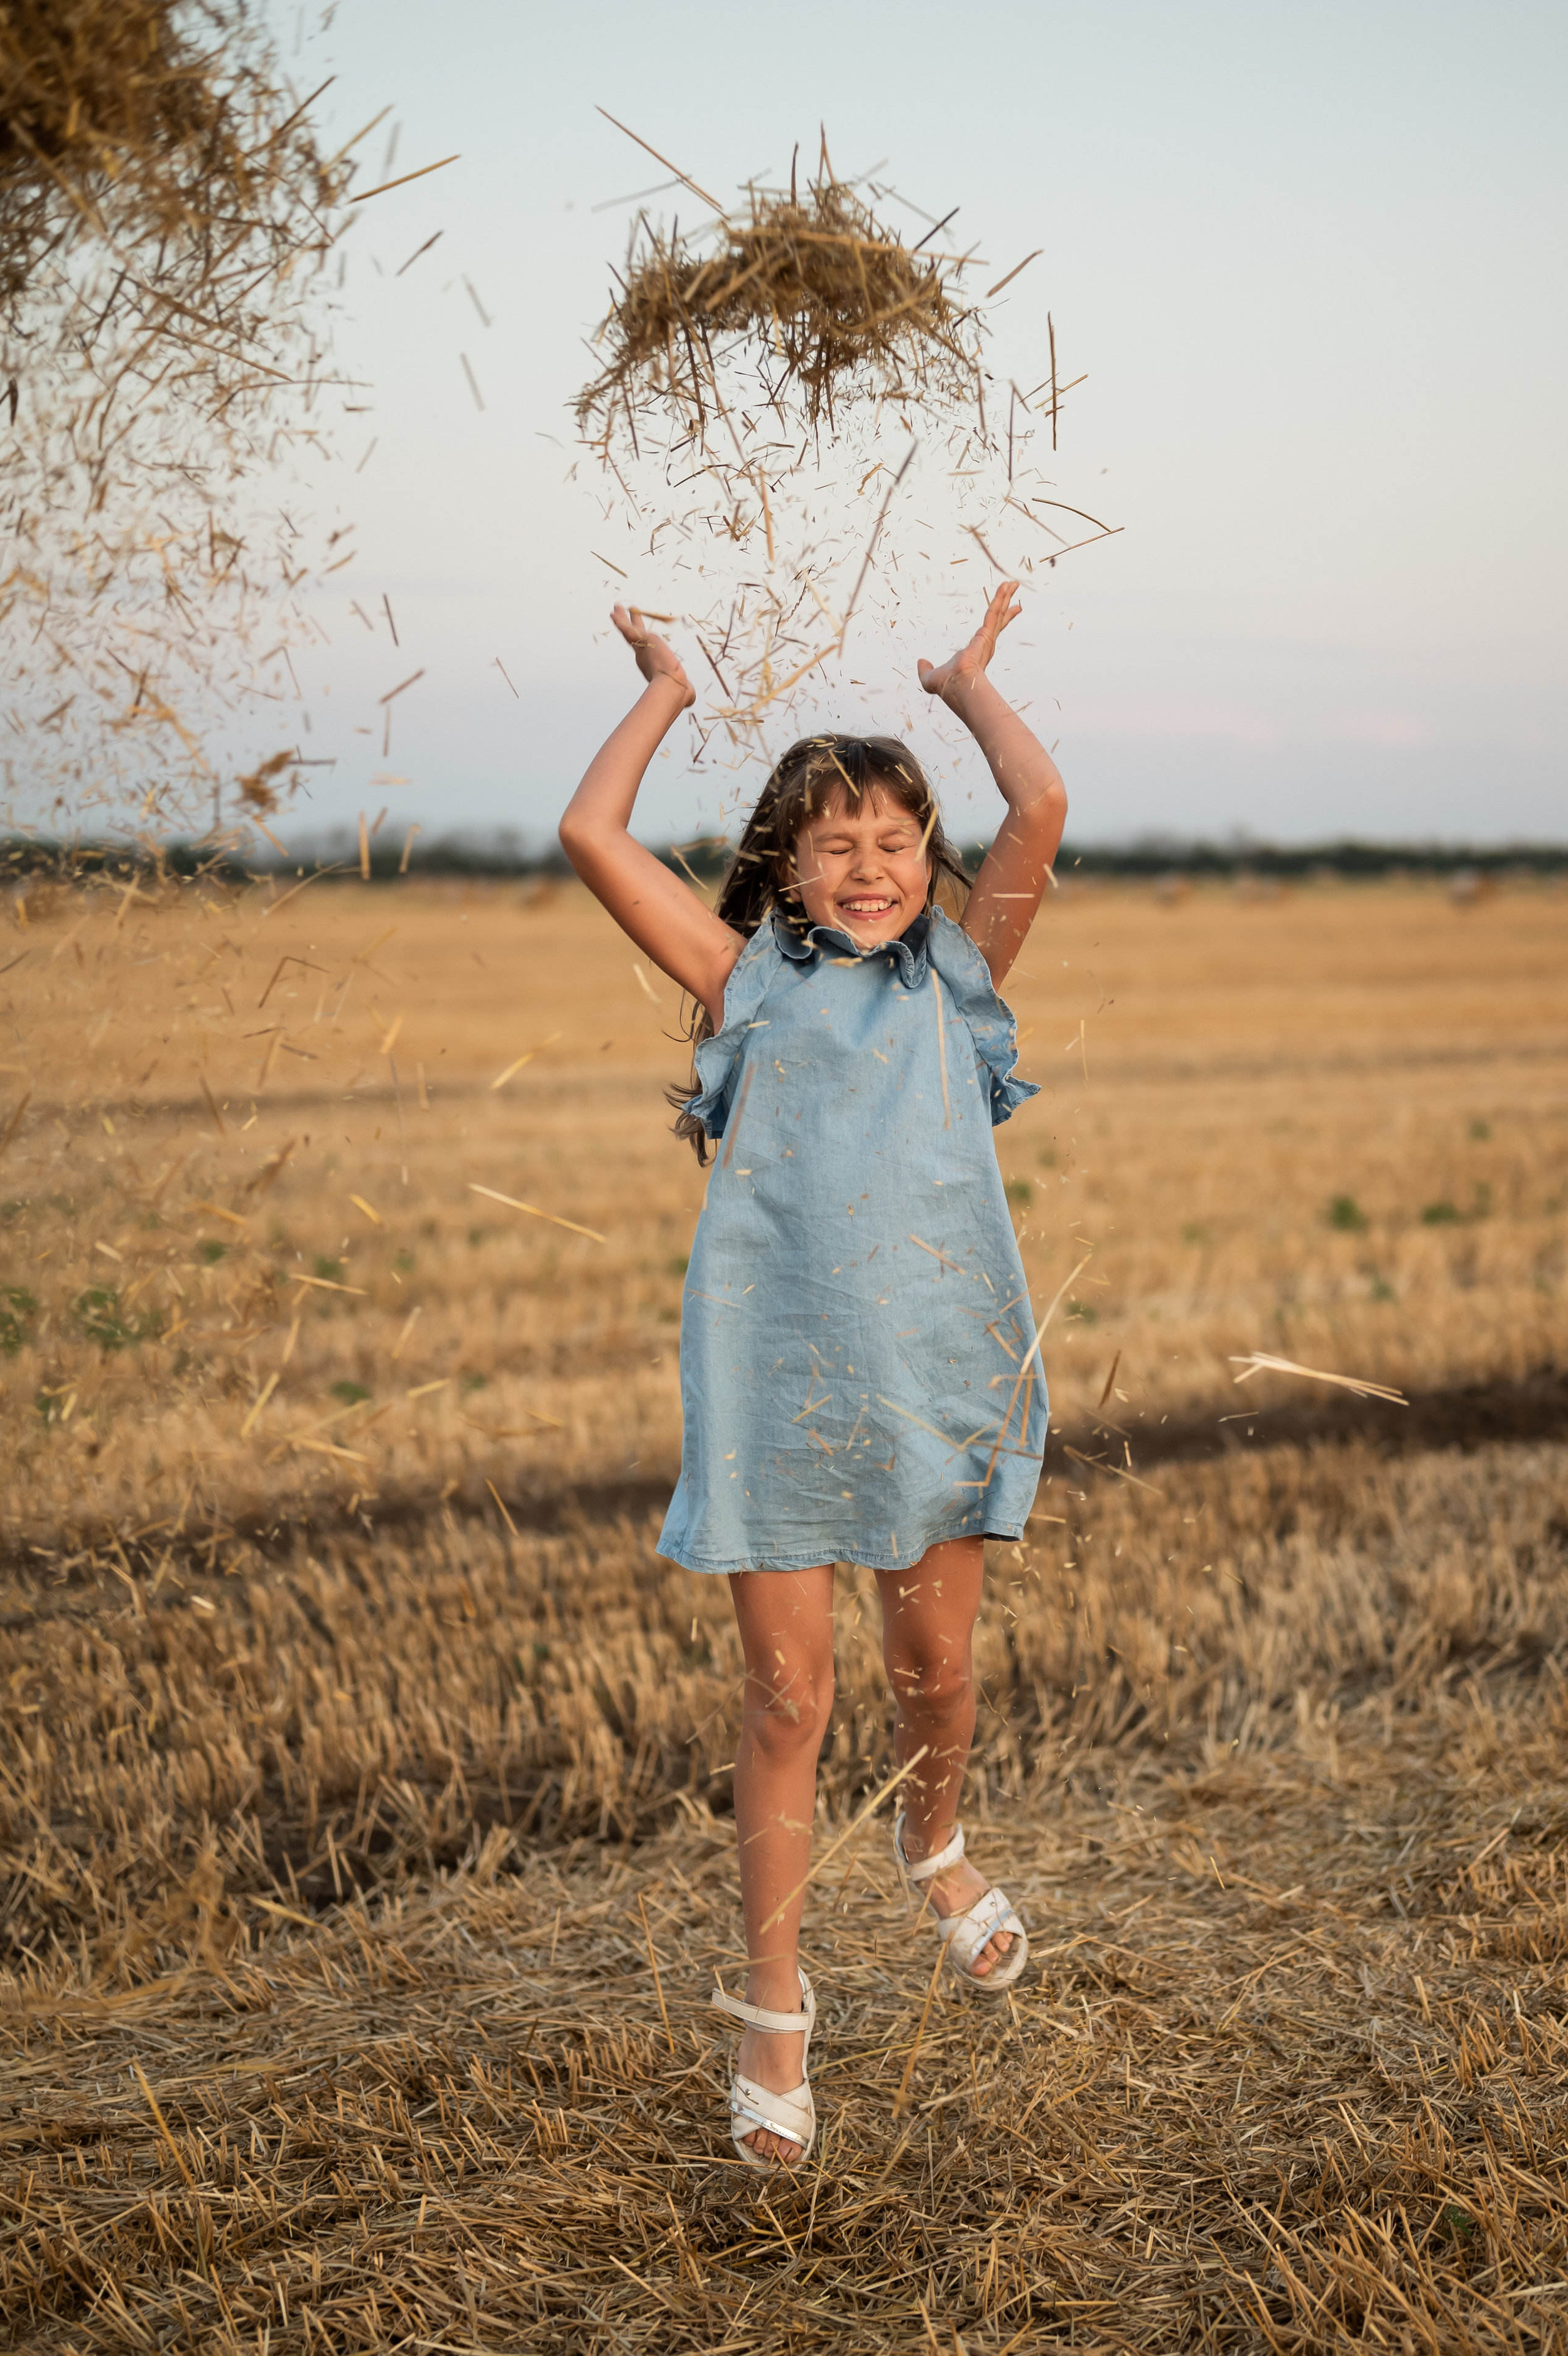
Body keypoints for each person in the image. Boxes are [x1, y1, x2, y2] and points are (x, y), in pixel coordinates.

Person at [559, 582, 1067, 2168]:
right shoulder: (741, 984)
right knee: (791, 1695)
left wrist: (965, 681)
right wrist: (666, 684)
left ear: (933, 866)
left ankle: (935, 1842)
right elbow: (591, 833)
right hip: (778, 1386)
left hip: (940, 1368)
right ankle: (775, 2015)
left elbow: (1041, 803)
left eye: (898, 842)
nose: (869, 868)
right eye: (834, 844)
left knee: (937, 1683)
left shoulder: (962, 983)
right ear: (783, 868)